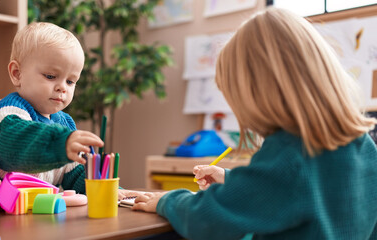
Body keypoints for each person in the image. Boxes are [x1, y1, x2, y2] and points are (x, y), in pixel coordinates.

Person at [132, 8, 377, 239]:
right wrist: (232, 180)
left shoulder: (288, 154)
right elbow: (300, 193)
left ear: (259, 95)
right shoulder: (362, 144)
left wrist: (167, 201)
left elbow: (206, 220)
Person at [0, 22, 106, 195]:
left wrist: (104, 190)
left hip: (31, 214)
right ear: (17, 74)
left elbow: (74, 175)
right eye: (51, 76)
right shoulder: (9, 113)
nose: (63, 88)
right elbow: (17, 146)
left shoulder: (64, 123)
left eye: (70, 81)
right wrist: (62, 144)